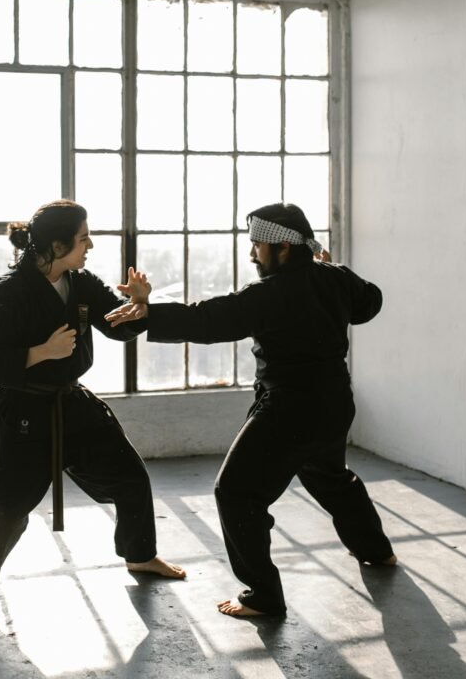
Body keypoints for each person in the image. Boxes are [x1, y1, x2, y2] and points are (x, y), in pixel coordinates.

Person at [106, 202, 395, 619]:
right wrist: (334, 272)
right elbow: (370, 303)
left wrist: (149, 313)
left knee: (237, 493)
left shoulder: (270, 293)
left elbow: (209, 321)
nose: (252, 254)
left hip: (289, 409)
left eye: (257, 246)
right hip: (334, 402)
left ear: (281, 249)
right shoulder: (333, 278)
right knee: (330, 476)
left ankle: (263, 595)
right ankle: (376, 551)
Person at [0, 200, 185, 622]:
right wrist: (41, 352)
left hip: (71, 402)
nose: (90, 245)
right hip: (24, 411)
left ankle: (140, 555)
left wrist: (141, 307)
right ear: (56, 245)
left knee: (130, 476)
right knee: (9, 510)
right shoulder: (7, 292)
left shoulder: (81, 282)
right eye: (83, 237)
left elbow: (116, 325)